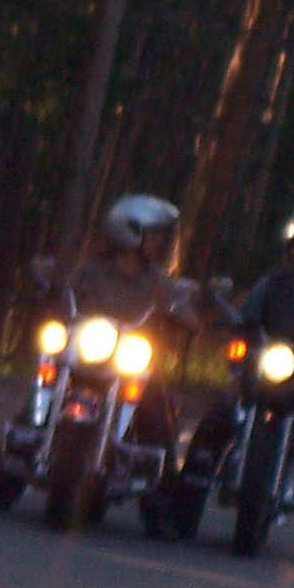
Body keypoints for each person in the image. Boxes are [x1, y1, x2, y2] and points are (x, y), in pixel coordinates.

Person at [174, 210, 294, 563]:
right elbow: (245, 316)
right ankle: (181, 516)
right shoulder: (271, 283)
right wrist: (229, 317)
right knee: (214, 420)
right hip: (261, 372)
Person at [58, 194, 206, 455]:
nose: (159, 242)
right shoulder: (90, 270)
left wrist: (182, 315)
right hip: (84, 356)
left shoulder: (157, 279)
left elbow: (184, 311)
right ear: (131, 233)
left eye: (160, 235)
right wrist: (51, 292)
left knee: (158, 413)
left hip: (131, 363)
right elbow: (65, 297)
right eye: (154, 235)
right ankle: (11, 465)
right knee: (45, 387)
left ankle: (161, 480)